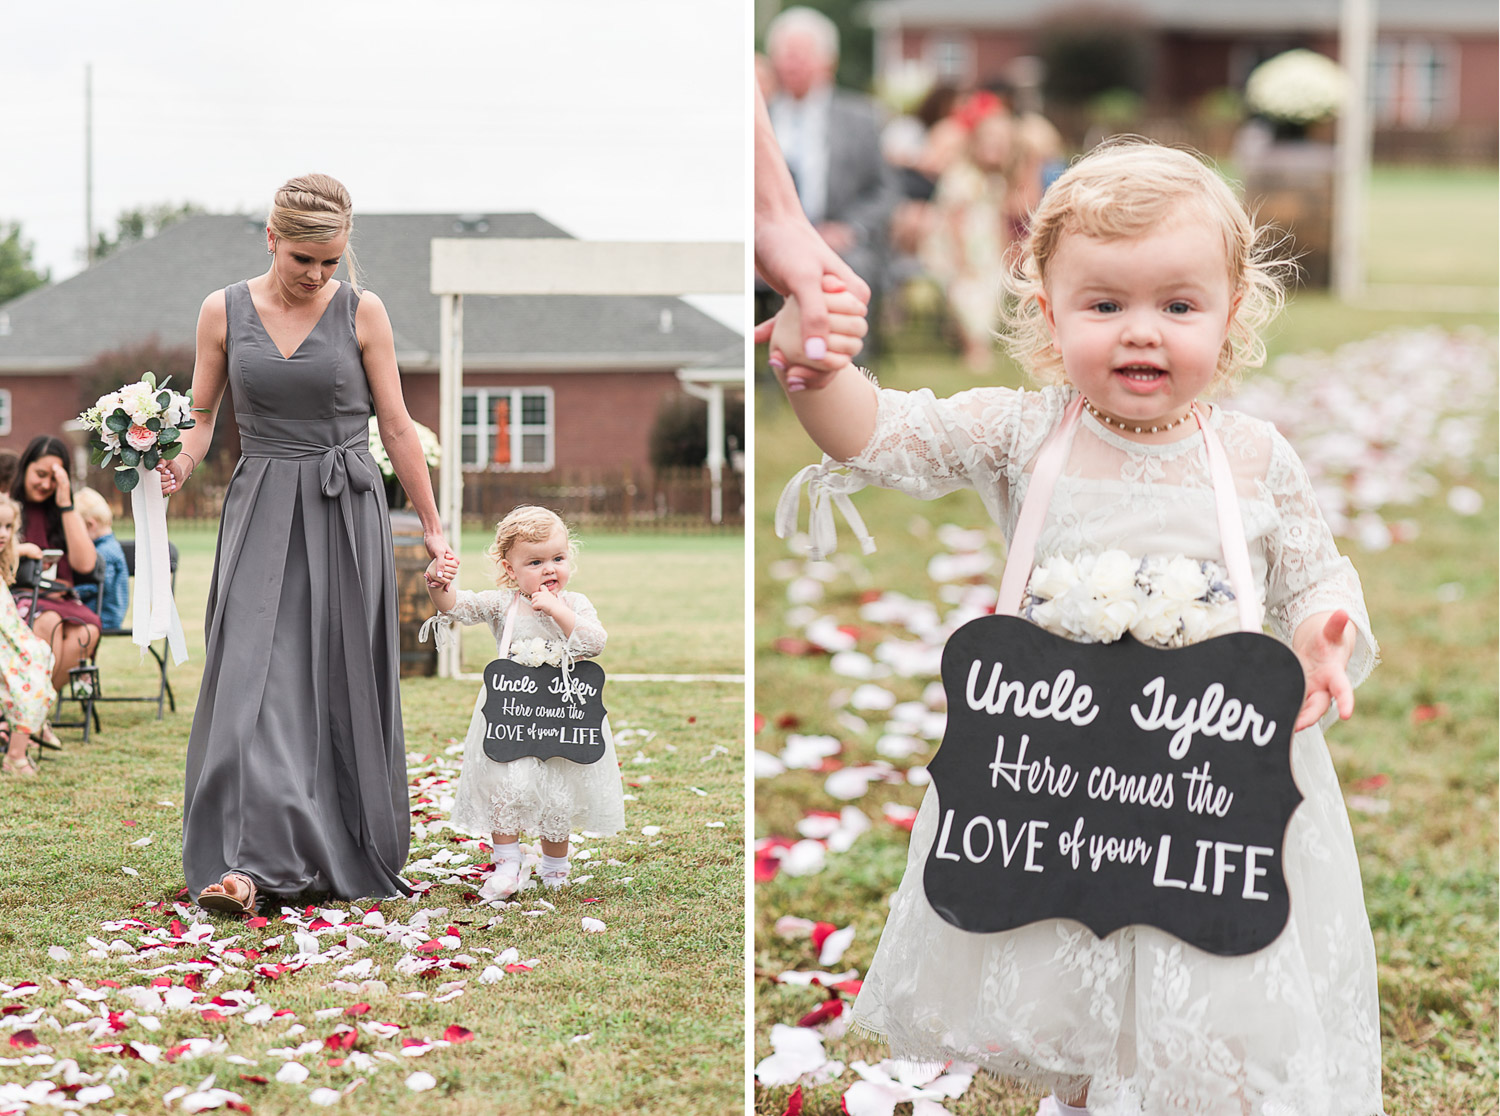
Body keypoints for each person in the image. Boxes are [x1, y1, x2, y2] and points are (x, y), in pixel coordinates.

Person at [769, 141, 1382, 1114]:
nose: (1142, 333)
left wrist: (1323, 634)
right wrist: (819, 366)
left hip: (1213, 791)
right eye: (1105, 306)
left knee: (1211, 983)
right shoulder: (1024, 433)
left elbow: (1314, 573)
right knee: (1072, 964)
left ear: (1231, 318)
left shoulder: (1256, 456)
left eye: (1178, 307)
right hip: (1058, 782)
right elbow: (880, 431)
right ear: (1049, 312)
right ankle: (1090, 1091)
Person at [158, 173, 456, 914]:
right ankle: (246, 864)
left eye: (331, 261)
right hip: (260, 506)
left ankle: (323, 847)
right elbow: (200, 415)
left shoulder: (364, 312)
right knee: (253, 688)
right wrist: (180, 460)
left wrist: (433, 522)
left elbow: (394, 424)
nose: (318, 275)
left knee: (332, 681)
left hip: (345, 510)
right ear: (271, 239)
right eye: (303, 260)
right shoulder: (221, 311)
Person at [420, 506, 623, 895]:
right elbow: (455, 606)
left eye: (558, 559)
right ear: (510, 569)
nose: (550, 569)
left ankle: (555, 866)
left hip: (563, 717)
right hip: (511, 716)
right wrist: (437, 584)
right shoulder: (503, 604)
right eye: (536, 562)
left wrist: (558, 611)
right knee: (505, 785)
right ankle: (507, 861)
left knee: (556, 793)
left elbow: (594, 642)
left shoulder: (575, 604)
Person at [762, 6, 894, 352]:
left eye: (801, 55)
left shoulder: (860, 118)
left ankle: (846, 369)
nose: (792, 64)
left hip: (839, 236)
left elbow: (884, 191)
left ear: (827, 61)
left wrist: (849, 229)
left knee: (850, 268)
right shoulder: (763, 117)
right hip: (773, 237)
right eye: (785, 56)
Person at [11, 436, 100, 722]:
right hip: (21, 597)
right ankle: (31, 720)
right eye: (40, 474)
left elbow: (86, 564)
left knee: (87, 631)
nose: (46, 484)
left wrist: (65, 503)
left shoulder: (62, 511)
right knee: (49, 622)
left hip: (62, 598)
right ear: (25, 468)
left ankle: (34, 717)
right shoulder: (9, 507)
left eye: (54, 478)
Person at [0, 493, 56, 776]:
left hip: (11, 641)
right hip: (5, 646)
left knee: (40, 657)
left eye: (8, 527)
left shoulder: (3, 562)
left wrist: (20, 550)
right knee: (30, 675)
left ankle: (30, 728)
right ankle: (16, 753)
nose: (3, 533)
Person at [71, 488, 129, 631]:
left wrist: (71, 592)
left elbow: (97, 585)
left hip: (104, 615)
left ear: (90, 525)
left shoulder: (104, 552)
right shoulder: (108, 546)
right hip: (101, 612)